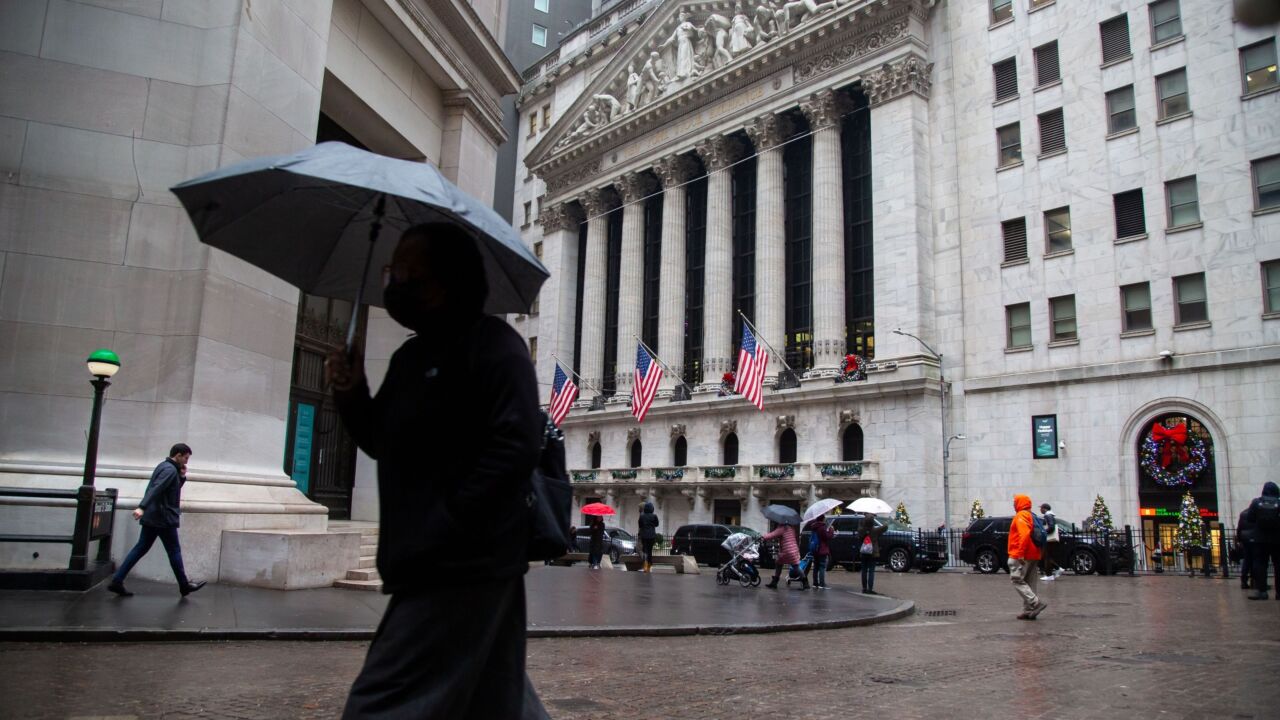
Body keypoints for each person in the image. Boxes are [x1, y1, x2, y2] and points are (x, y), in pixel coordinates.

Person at [326, 223, 549, 719]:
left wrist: (447, 524)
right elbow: (381, 441)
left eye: (408, 273)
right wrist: (352, 391)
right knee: (497, 703)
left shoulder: (495, 346)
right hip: (426, 558)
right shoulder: (409, 356)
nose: (395, 284)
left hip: (462, 564)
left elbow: (515, 449)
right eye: (392, 272)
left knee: (382, 704)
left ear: (449, 280)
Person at [107, 443, 205, 597]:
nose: (187, 461)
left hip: (154, 517)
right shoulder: (169, 470)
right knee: (174, 550)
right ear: (178, 455)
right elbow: (157, 489)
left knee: (141, 548)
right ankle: (184, 585)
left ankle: (117, 580)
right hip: (163, 518)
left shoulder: (164, 467)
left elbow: (169, 490)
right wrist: (142, 507)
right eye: (186, 458)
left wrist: (181, 476)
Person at [1009, 494, 1048, 620]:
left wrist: (1020, 553)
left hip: (1022, 554)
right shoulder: (1032, 515)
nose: (1013, 504)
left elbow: (1024, 534)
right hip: (1034, 553)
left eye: (1015, 502)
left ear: (1019, 503)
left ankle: (1035, 603)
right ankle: (1028, 611)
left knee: (1016, 579)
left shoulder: (1021, 515)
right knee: (1030, 582)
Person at [1244, 481, 1280, 600]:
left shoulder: (1256, 502)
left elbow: (1249, 518)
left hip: (1260, 539)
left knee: (1260, 564)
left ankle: (1262, 591)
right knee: (1278, 565)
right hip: (1277, 539)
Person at [763, 521, 806, 590]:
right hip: (794, 550)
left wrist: (763, 536)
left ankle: (774, 582)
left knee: (779, 564)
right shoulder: (791, 528)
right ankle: (805, 582)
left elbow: (772, 535)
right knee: (795, 566)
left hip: (787, 551)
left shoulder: (782, 528)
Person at [857, 513, 887, 594]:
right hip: (872, 553)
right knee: (871, 571)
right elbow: (885, 527)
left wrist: (861, 522)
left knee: (864, 570)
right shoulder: (875, 530)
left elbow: (859, 528)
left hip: (864, 552)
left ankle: (864, 588)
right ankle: (870, 588)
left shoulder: (861, 530)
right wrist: (885, 522)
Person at [804, 514, 835, 589]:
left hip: (815, 549)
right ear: (823, 519)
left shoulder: (814, 527)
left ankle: (815, 583)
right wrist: (831, 530)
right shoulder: (822, 527)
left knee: (816, 566)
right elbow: (827, 536)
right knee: (822, 566)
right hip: (822, 549)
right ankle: (822, 583)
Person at [1039, 503, 1064, 580]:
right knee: (1046, 556)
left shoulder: (1048, 515)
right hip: (1051, 539)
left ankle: (1049, 575)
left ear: (1044, 508)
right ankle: (1057, 569)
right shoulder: (1050, 515)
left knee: (1046, 557)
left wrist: (1044, 532)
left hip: (1049, 539)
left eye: (1041, 508)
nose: (1040, 510)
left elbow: (1051, 527)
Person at [637, 502, 659, 573]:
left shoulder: (642, 516)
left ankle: (645, 565)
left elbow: (640, 525)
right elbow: (657, 524)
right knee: (650, 551)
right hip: (652, 536)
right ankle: (649, 565)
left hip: (644, 536)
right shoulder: (654, 516)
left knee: (645, 550)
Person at [1237, 507, 1256, 590]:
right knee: (1256, 560)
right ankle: (1254, 580)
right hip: (1255, 539)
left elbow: (1239, 528)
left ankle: (1244, 581)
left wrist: (1239, 539)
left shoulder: (1243, 513)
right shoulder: (1256, 513)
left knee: (1247, 560)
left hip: (1245, 539)